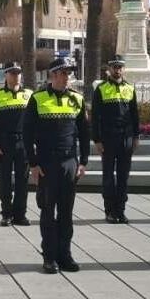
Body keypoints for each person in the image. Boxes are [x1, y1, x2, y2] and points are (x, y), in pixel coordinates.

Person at [24, 57, 90, 274]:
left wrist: (84, 162)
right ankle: (49, 256)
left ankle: (65, 255)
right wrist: (33, 164)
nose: (66, 77)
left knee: (66, 213)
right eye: (62, 73)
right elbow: (27, 134)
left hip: (69, 162)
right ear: (52, 75)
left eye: (68, 73)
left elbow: (84, 133)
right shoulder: (38, 99)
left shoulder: (77, 100)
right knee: (47, 211)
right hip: (47, 163)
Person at [91, 54, 139, 224]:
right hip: (108, 138)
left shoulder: (130, 88)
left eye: (120, 67)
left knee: (124, 176)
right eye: (114, 67)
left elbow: (134, 114)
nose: (117, 70)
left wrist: (136, 137)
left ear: (123, 69)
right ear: (109, 69)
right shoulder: (101, 89)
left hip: (126, 138)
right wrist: (96, 139)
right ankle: (110, 210)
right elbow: (95, 116)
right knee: (108, 177)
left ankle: (121, 210)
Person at [0, 61, 32, 226]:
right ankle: (6, 214)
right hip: (4, 144)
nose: (16, 76)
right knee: (4, 181)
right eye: (12, 73)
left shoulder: (29, 94)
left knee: (22, 181)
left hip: (24, 143)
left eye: (18, 73)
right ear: (5, 75)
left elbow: (34, 122)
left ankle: (20, 214)